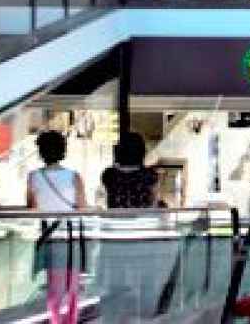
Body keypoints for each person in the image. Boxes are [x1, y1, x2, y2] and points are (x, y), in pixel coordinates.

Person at [28, 130, 87, 324]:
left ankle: (55, 320)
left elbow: (32, 208)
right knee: (72, 286)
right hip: (71, 237)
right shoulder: (74, 176)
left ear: (41, 151)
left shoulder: (33, 177)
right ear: (63, 150)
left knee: (54, 286)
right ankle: (70, 320)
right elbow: (82, 207)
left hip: (49, 236)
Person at [100, 131, 161, 208]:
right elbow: (154, 202)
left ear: (119, 151)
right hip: (143, 219)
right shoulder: (150, 175)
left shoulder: (109, 174)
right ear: (142, 152)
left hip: (116, 219)